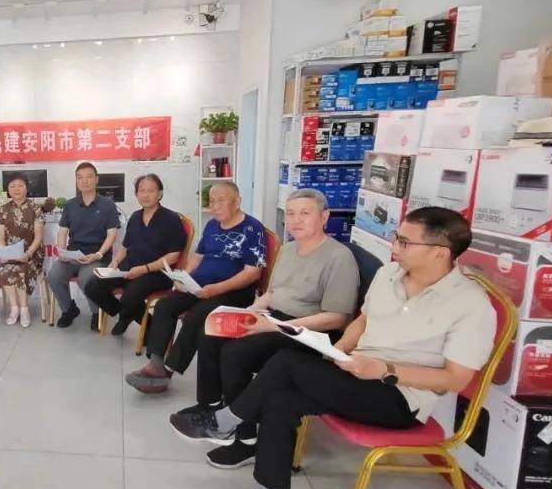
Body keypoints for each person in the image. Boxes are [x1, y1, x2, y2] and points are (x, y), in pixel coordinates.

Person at [169, 207, 496, 489]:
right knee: (279, 400)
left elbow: (456, 379)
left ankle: (224, 423)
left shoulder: (470, 305)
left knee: (285, 362)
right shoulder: (389, 274)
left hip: (399, 397)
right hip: (355, 373)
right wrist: (336, 351)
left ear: (440, 253)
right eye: (396, 237)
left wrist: (385, 369)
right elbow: (363, 321)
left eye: (405, 242)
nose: (394, 246)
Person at [181, 189, 359, 470]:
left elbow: (336, 318)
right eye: (290, 214)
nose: (296, 220)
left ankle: (246, 438)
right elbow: (272, 293)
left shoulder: (339, 257)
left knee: (236, 353)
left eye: (305, 213)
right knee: (213, 332)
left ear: (324, 217)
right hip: (275, 317)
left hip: (308, 332)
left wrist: (275, 325)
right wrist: (248, 313)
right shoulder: (288, 250)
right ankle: (213, 407)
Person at [125, 181, 266, 393]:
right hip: (200, 285)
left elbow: (252, 273)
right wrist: (184, 277)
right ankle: (156, 362)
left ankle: (168, 371)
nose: (215, 207)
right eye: (212, 201)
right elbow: (197, 257)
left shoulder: (252, 229)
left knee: (196, 316)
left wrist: (217, 289)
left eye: (221, 201)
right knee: (164, 306)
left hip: (233, 291)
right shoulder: (212, 225)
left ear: (237, 202)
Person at [84, 174, 185, 336]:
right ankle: (126, 314)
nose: (146, 195)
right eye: (141, 191)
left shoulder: (171, 219)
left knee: (129, 297)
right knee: (93, 286)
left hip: (157, 272)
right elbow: (125, 247)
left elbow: (173, 256)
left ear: (160, 193)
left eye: (151, 191)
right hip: (130, 266)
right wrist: (115, 262)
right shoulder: (135, 216)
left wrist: (144, 269)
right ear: (136, 194)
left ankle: (142, 324)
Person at [48, 161, 121, 330]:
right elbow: (62, 232)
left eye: (89, 177)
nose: (84, 181)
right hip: (73, 255)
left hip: (97, 256)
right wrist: (62, 251)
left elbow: (112, 234)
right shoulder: (70, 205)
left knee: (85, 278)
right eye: (80, 177)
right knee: (54, 275)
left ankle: (96, 313)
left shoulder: (108, 204)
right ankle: (69, 310)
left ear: (96, 179)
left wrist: (99, 254)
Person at [0, 172, 45, 327]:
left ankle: (24, 310)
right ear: (8, 189)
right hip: (10, 254)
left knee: (22, 269)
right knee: (4, 270)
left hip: (32, 254)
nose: (16, 189)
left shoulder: (35, 208)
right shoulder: (3, 209)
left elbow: (38, 237)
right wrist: (3, 253)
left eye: (20, 186)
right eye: (12, 186)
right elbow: (0, 238)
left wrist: (28, 253)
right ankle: (14, 308)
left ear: (26, 188)